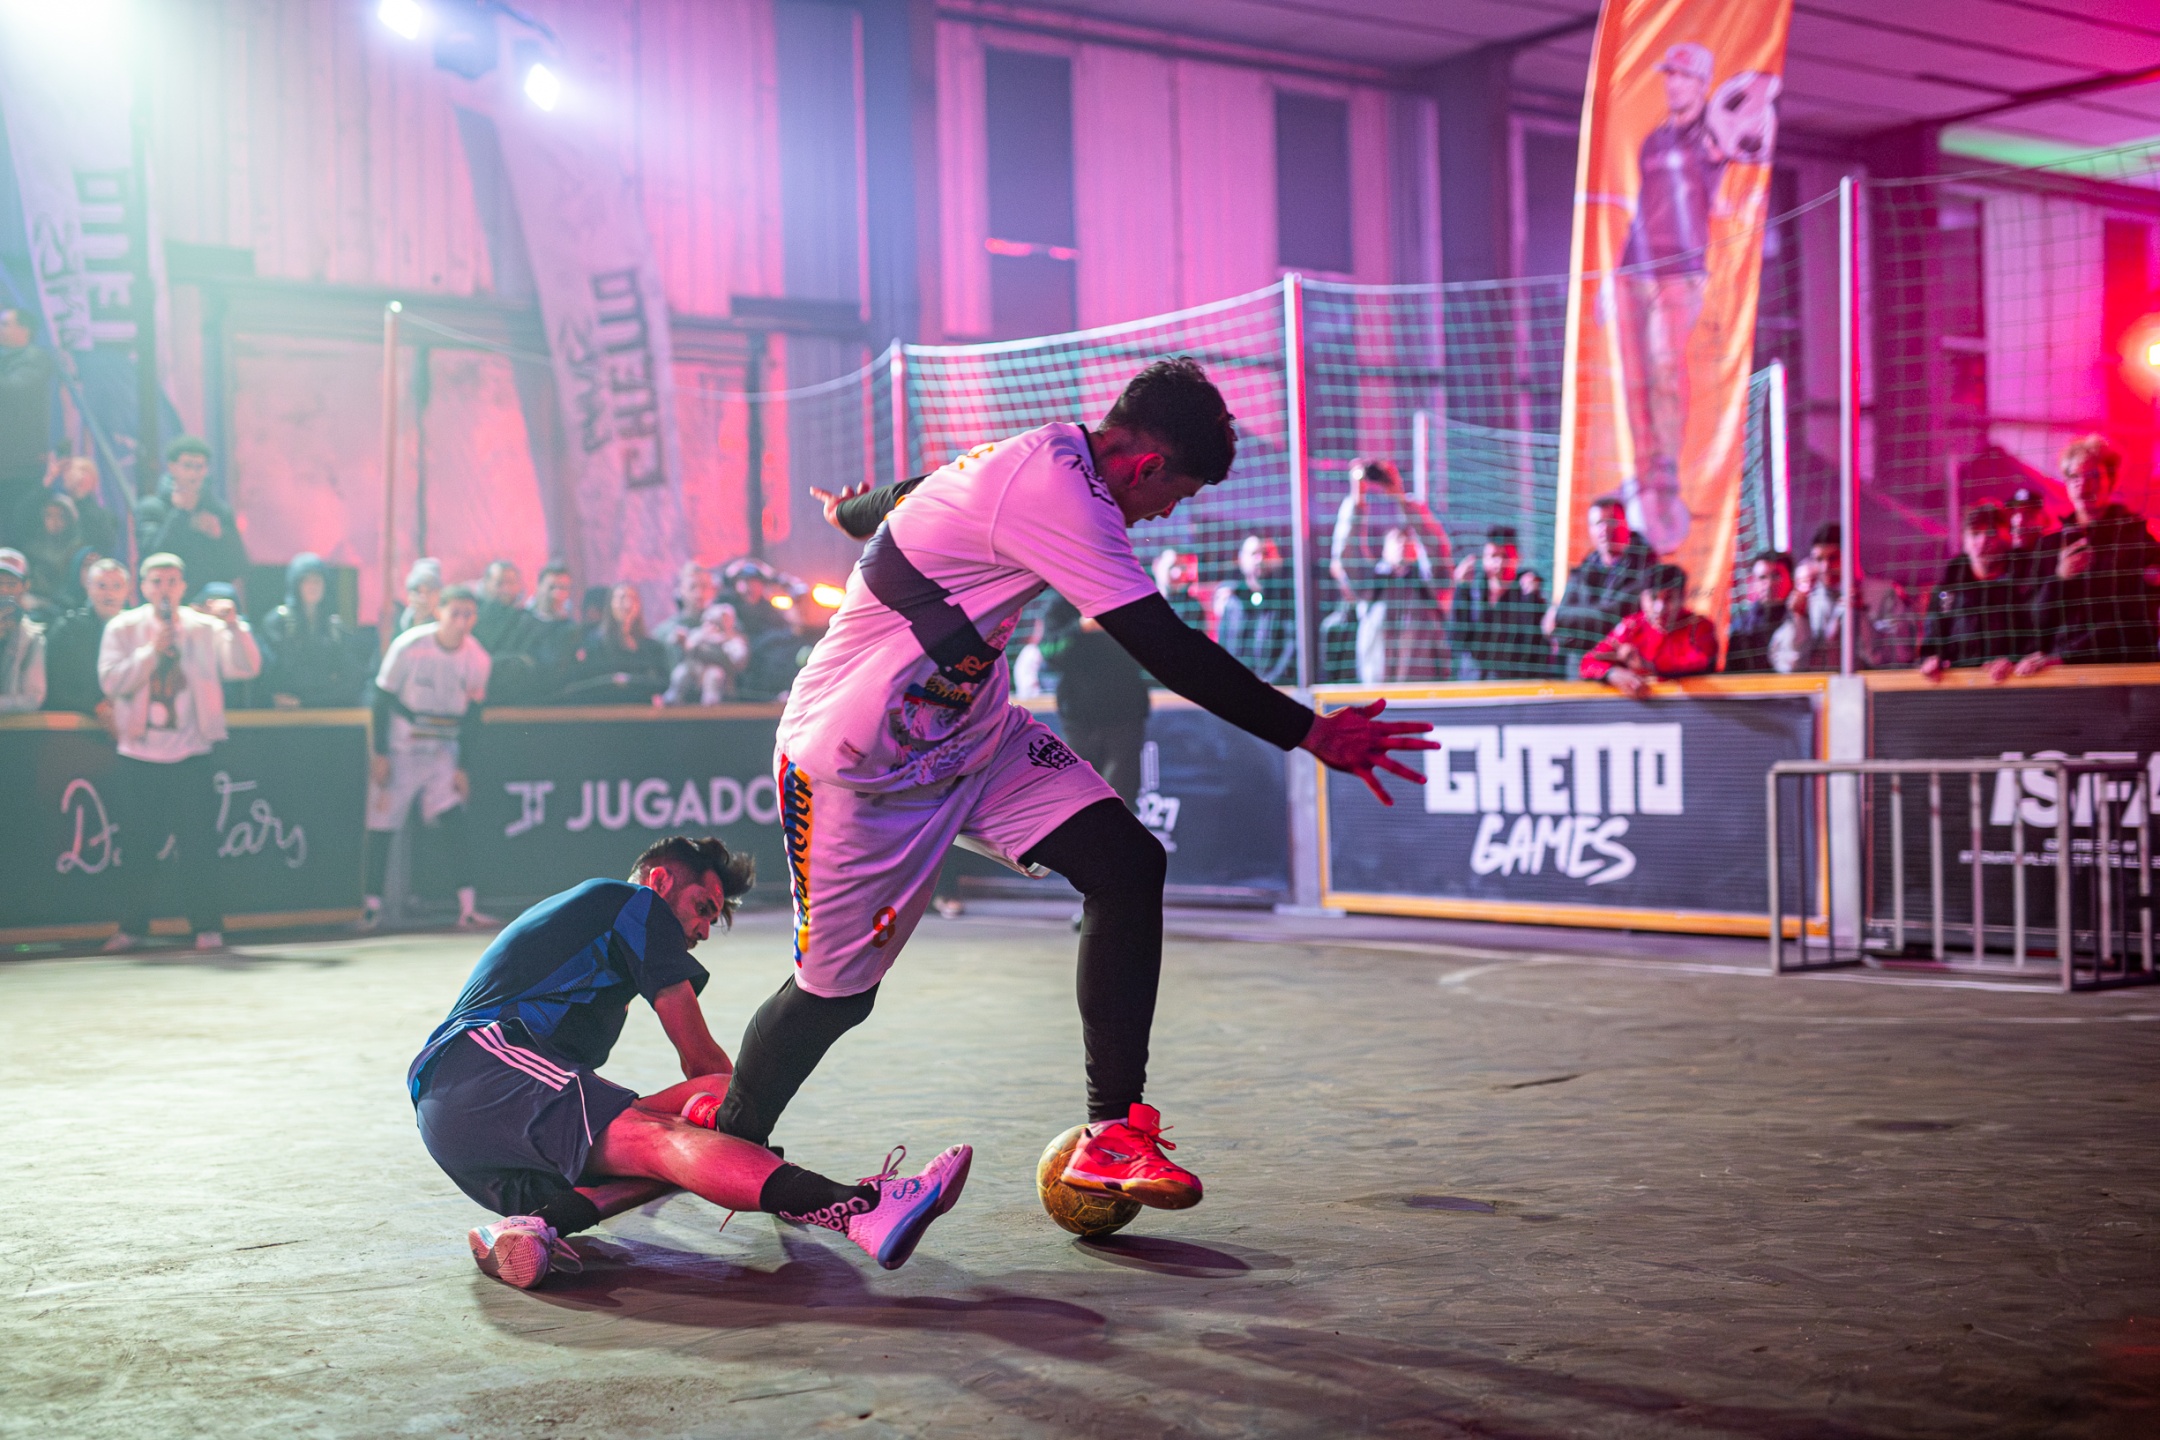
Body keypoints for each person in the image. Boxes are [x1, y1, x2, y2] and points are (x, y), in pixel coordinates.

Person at [738, 357, 1433, 1215]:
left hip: (975, 738)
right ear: (1147, 466)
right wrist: (1312, 732)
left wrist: (854, 512)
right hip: (857, 764)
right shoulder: (1066, 496)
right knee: (834, 1001)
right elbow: (1166, 647)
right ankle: (733, 1143)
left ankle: (1112, 1132)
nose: (1163, 515)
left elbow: (912, 493)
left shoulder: (1037, 459)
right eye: (1173, 496)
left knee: (1128, 864)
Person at [411, 835, 972, 1289]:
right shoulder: (632, 903)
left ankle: (539, 1224)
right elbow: (699, 1058)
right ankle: (858, 1206)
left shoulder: (594, 959)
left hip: (482, 1135)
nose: (704, 929)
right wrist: (745, 1137)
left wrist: (735, 1136)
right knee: (689, 1123)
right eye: (703, 907)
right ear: (660, 881)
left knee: (688, 1131)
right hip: (472, 1070)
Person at [96, 552, 262, 953]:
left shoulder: (204, 628)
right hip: (139, 754)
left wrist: (235, 627)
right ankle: (132, 928)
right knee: (137, 847)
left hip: (191, 754)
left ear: (183, 587)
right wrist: (150, 652)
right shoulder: (123, 627)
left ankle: (207, 927)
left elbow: (246, 668)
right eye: (156, 582)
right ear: (144, 587)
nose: (164, 589)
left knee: (198, 845)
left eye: (172, 581)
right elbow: (111, 680)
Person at [1615, 42, 1727, 555]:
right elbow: (1643, 206)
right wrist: (1616, 272)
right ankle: (1643, 473)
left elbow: (1729, 163)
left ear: (1701, 84)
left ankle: (1667, 471)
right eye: (1669, 75)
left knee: (1665, 368)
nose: (1672, 84)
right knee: (1635, 376)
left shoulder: (1713, 138)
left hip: (1681, 271)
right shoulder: (1652, 142)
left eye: (1682, 76)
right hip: (1637, 267)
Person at [361, 585, 494, 932]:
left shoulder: (478, 658)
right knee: (382, 823)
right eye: (455, 613)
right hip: (401, 749)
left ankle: (467, 907)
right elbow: (381, 698)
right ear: (439, 612)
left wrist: (463, 767)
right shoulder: (409, 646)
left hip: (441, 751)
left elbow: (474, 715)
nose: (461, 622)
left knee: (453, 819)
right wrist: (380, 753)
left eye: (469, 615)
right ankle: (371, 907)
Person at [2019, 434, 2160, 672]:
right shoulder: (2048, 546)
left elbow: (2132, 620)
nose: (2083, 485)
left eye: (2093, 476)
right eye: (2074, 476)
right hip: (2063, 674)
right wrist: (2059, 579)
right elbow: (2033, 620)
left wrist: (2068, 657)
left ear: (2111, 480)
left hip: (2124, 673)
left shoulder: (2136, 537)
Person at [1329, 458, 1452, 685]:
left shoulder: (1429, 584)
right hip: (1377, 690)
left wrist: (1401, 497)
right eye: (1396, 539)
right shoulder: (1371, 585)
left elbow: (1436, 547)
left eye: (1408, 539)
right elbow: (1347, 553)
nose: (1403, 544)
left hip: (1425, 693)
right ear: (1383, 549)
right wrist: (1357, 497)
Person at [1040, 595, 1153, 805]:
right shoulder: (1061, 604)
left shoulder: (1127, 595)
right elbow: (1049, 651)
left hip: (1125, 715)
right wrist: (1081, 627)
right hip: (1079, 719)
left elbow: (1152, 646)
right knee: (1081, 798)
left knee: (1121, 799)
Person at [1769, 522, 1912, 672]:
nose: (1825, 567)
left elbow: (1901, 654)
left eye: (1833, 558)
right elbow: (1786, 662)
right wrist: (1800, 618)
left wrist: (1861, 617)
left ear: (1851, 556)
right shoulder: (1808, 600)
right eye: (1818, 559)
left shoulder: (1884, 594)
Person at [1546, 494, 1659, 676]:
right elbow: (1558, 632)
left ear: (1626, 525)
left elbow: (1611, 617)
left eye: (1611, 521)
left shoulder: (1646, 570)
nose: (1605, 529)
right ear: (1590, 529)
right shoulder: (1583, 570)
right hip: (1579, 672)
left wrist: (1558, 616)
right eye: (1598, 523)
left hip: (1623, 675)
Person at [1918, 502, 2029, 683]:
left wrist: (2013, 660)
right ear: (1965, 541)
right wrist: (1931, 662)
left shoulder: (2023, 585)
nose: (1983, 541)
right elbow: (1931, 645)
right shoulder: (1947, 591)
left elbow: (2038, 640)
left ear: (2006, 538)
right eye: (1976, 533)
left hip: (2015, 687)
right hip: (1961, 691)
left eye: (1991, 533)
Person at [1579, 562, 1718, 696]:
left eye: (1669, 598)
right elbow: (1588, 662)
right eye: (1653, 598)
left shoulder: (1699, 626)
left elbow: (1701, 664)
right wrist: (1612, 673)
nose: (1660, 608)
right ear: (1642, 598)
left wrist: (1646, 665)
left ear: (1683, 597)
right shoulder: (1632, 626)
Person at [134, 437, 247, 599]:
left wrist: (220, 536)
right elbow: (151, 556)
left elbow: (238, 567)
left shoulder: (218, 511)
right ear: (172, 467)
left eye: (199, 467)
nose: (193, 474)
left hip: (211, 601)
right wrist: (180, 515)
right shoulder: (152, 508)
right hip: (167, 599)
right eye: (187, 466)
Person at [1448, 525, 1553, 680]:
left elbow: (1537, 647)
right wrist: (1461, 590)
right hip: (1473, 683)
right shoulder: (1472, 592)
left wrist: (1532, 599)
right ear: (1484, 559)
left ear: (1518, 558)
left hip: (1512, 685)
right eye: (1493, 556)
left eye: (1505, 556)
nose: (1499, 563)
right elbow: (1456, 641)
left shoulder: (1527, 594)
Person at [260, 552, 362, 708]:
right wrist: (272, 696)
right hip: (285, 712)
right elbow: (266, 669)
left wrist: (322, 699)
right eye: (306, 580)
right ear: (295, 584)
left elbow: (351, 675)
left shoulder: (334, 627)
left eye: (317, 580)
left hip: (326, 709)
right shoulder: (277, 623)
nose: (313, 586)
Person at [42, 556, 130, 716]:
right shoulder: (67, 629)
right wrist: (96, 707)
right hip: (78, 719)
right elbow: (56, 686)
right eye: (102, 586)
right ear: (88, 587)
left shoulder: (136, 629)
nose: (109, 594)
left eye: (117, 586)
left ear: (127, 590)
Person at [567, 582, 670, 704]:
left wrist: (629, 681)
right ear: (610, 604)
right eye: (621, 598)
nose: (627, 604)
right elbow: (585, 682)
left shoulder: (652, 648)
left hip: (640, 709)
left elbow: (663, 682)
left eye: (632, 599)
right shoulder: (594, 644)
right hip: (605, 709)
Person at [1213, 535, 1297, 684]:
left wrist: (1269, 684)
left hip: (1275, 688)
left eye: (1266, 553)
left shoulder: (1288, 600)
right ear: (1241, 560)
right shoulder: (1232, 601)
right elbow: (1223, 647)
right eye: (1253, 554)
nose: (1260, 559)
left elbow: (1291, 649)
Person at [0, 308, 57, 527]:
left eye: (5, 324)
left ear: (25, 330)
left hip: (19, 464)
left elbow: (14, 390)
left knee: (15, 523)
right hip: (7, 463)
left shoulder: (35, 358)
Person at [665, 601, 748, 706]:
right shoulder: (699, 634)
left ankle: (710, 704)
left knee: (714, 676)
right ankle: (672, 698)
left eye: (715, 624)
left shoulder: (730, 639)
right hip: (695, 669)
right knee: (681, 672)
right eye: (709, 623)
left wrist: (728, 647)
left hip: (718, 672)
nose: (711, 627)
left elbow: (738, 657)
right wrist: (681, 638)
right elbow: (682, 642)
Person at [1724, 550, 1793, 674]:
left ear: (1791, 578)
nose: (1769, 584)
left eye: (1776, 576)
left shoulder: (1803, 619)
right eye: (1762, 578)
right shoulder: (1741, 629)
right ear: (1753, 582)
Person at [16, 487, 81, 610]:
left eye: (60, 516)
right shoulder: (33, 547)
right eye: (49, 516)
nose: (54, 521)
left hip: (65, 605)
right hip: (34, 600)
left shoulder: (77, 550)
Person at [54, 455, 120, 558]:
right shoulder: (59, 508)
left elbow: (105, 543)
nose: (63, 474)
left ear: (86, 477)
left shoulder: (102, 517)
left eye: (69, 469)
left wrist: (82, 496)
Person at [652, 560, 717, 659]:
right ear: (681, 590)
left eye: (704, 586)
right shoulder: (664, 632)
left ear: (712, 589)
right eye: (692, 587)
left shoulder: (725, 624)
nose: (699, 593)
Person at [0, 583, 44, 712]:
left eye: (11, 584)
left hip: (14, 723)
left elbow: (33, 698)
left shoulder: (32, 639)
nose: (3, 590)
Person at [399, 557, 444, 635]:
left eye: (429, 591)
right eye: (418, 591)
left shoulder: (446, 621)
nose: (423, 597)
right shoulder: (400, 622)